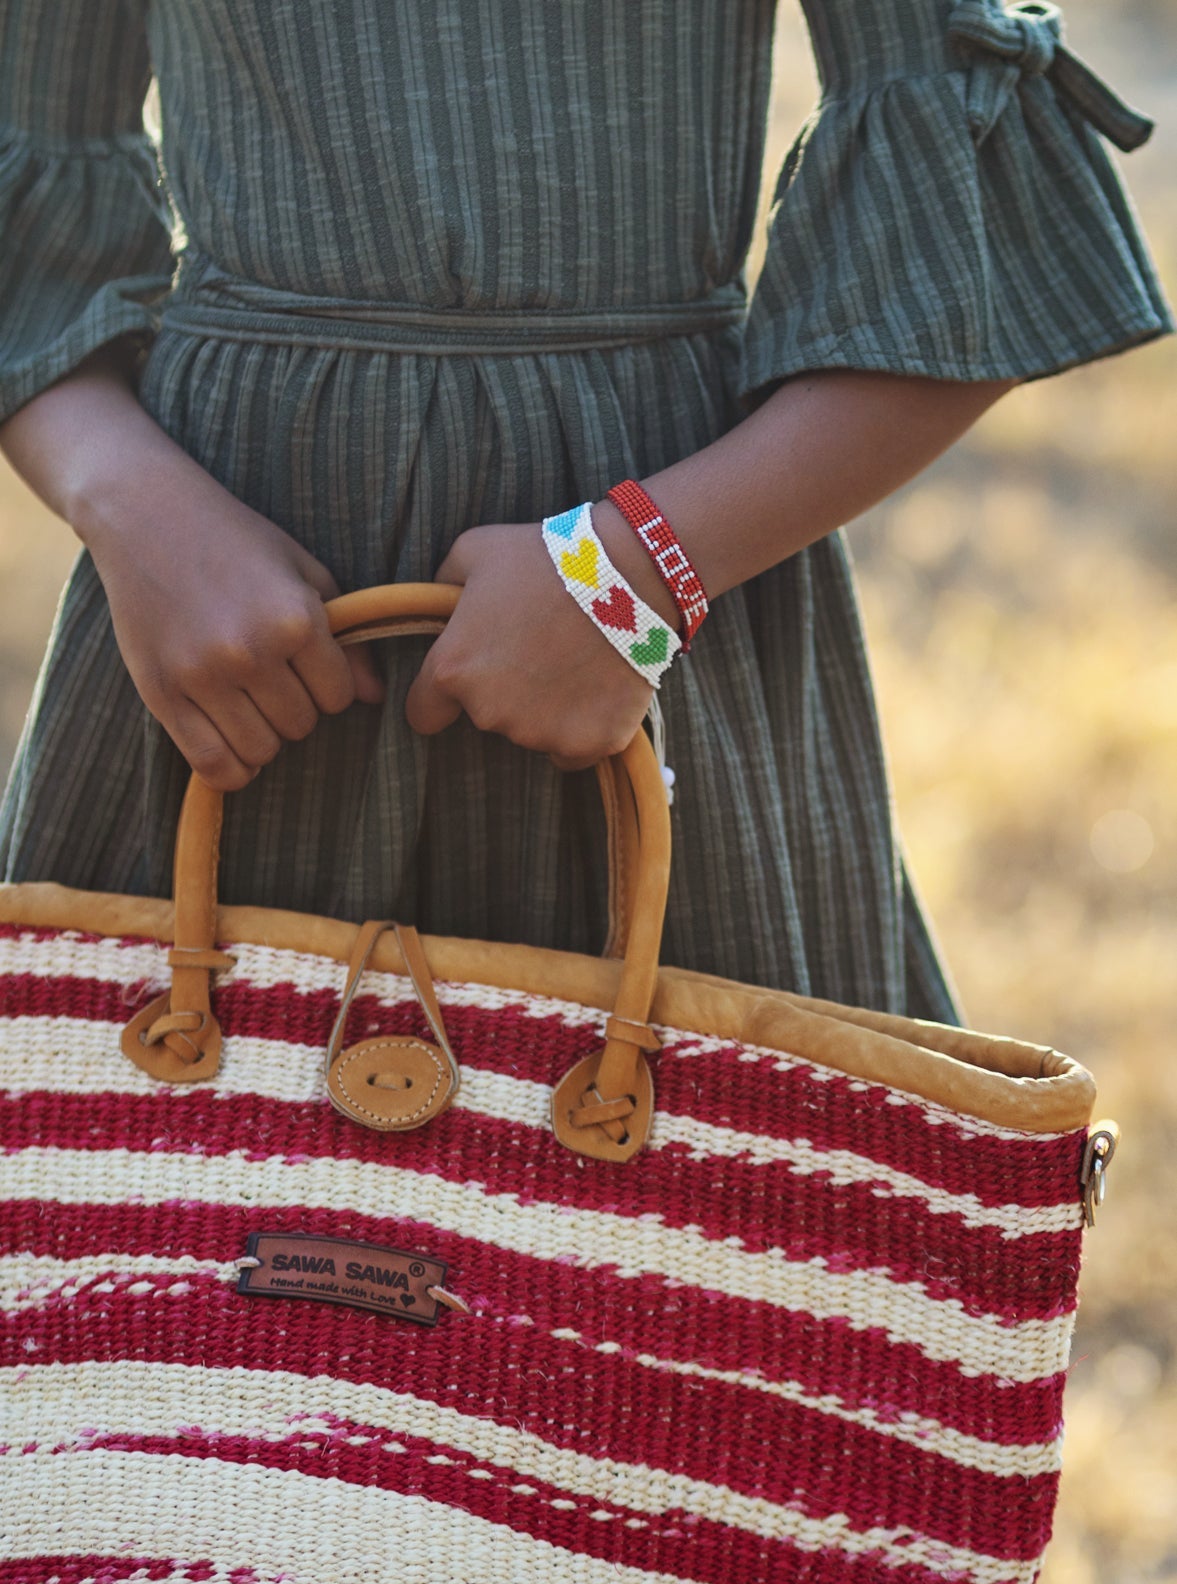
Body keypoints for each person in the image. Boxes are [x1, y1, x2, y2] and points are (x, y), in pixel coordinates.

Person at [0, 0, 1170, 1027]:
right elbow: (27, 176)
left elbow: (972, 251)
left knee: (714, 1218)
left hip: (655, 608)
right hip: (230, 637)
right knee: (145, 1219)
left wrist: (641, 573)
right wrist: (129, 505)